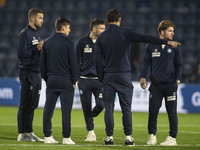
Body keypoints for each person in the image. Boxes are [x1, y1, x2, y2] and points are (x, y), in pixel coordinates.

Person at [95, 9, 180, 146]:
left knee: (109, 108)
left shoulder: (101, 37)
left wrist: (101, 78)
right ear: (119, 20)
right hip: (124, 76)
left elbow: (98, 61)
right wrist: (164, 41)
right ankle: (128, 137)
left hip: (109, 76)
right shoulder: (126, 33)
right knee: (126, 108)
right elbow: (146, 38)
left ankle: (109, 137)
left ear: (107, 20)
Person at [140, 20, 182, 146]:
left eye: (173, 31)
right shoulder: (151, 45)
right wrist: (143, 76)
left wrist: (178, 79)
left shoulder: (175, 46)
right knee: (153, 112)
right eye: (170, 31)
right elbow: (146, 63)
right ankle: (152, 136)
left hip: (170, 85)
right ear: (162, 32)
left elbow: (179, 64)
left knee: (172, 112)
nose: (172, 33)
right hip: (156, 86)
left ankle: (172, 138)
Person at [41, 18, 77, 145]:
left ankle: (47, 136)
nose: (69, 30)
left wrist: (47, 78)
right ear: (63, 28)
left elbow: (42, 65)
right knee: (66, 111)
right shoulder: (69, 43)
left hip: (51, 80)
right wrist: (74, 80)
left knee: (48, 109)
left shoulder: (46, 42)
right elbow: (73, 64)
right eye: (68, 28)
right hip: (66, 80)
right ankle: (66, 138)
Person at [76, 19, 105, 142]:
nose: (104, 31)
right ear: (94, 29)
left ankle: (89, 118)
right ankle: (91, 133)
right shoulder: (82, 42)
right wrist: (76, 78)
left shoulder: (104, 42)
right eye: (102, 28)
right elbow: (76, 61)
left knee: (101, 105)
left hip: (99, 81)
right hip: (84, 80)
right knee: (86, 106)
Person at [17, 8, 44, 142]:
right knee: (25, 103)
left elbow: (35, 53)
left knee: (33, 104)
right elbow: (21, 55)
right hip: (28, 72)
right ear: (32, 19)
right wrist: (36, 48)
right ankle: (22, 133)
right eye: (40, 18)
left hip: (36, 73)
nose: (42, 21)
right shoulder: (25, 33)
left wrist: (40, 51)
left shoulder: (36, 34)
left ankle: (29, 131)